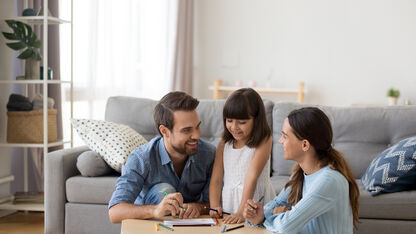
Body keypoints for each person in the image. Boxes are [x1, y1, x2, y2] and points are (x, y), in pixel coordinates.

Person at [243, 107, 360, 233]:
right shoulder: (299, 175)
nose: (280, 141)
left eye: (285, 136)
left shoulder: (329, 180)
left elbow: (285, 226)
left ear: (305, 145)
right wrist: (259, 214)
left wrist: (268, 216)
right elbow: (276, 203)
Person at [108, 91, 216, 223]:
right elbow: (115, 212)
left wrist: (198, 207)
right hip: (152, 223)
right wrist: (155, 210)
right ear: (165, 131)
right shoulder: (141, 158)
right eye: (187, 130)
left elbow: (214, 204)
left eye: (197, 127)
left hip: (188, 224)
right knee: (164, 190)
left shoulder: (208, 154)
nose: (197, 136)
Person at [209, 88, 276, 224]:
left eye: (242, 122)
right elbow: (216, 178)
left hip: (254, 202)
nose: (234, 127)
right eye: (229, 120)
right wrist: (214, 206)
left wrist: (241, 212)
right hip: (230, 203)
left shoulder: (264, 139)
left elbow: (252, 176)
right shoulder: (224, 143)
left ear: (256, 120)